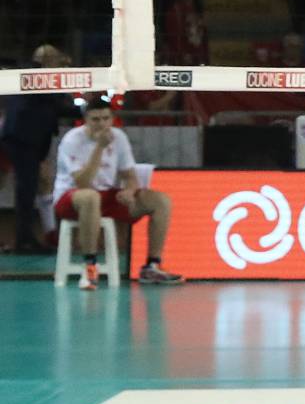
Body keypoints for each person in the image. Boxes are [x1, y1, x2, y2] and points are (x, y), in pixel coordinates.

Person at [52, 96, 182, 289]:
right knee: (90, 197)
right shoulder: (72, 140)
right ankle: (90, 266)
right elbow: (83, 182)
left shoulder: (119, 137)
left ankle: (152, 266)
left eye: (106, 119)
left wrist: (129, 191)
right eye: (96, 119)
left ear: (112, 119)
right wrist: (99, 147)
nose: (101, 124)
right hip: (71, 197)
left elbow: (129, 175)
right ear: (86, 120)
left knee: (160, 200)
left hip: (106, 195)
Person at [1, 43, 72, 253]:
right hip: (22, 140)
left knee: (31, 188)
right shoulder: (38, 77)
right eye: (57, 61)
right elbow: (60, 104)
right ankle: (24, 241)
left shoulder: (32, 74)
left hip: (23, 140)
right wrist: (84, 109)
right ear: (48, 61)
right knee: (26, 191)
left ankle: (30, 237)